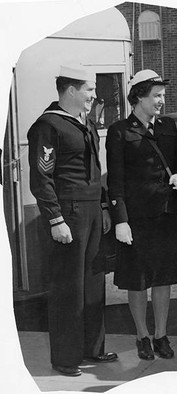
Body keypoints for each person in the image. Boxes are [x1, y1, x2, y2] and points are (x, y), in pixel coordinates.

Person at [27, 64, 117, 377]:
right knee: (67, 287)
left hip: (92, 210)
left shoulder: (85, 123)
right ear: (71, 91)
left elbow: (94, 170)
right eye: (90, 89)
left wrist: (103, 207)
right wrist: (55, 219)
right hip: (69, 213)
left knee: (93, 284)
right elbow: (42, 177)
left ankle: (93, 348)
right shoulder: (49, 126)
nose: (95, 95)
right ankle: (65, 358)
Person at [106, 70, 177, 360]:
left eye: (163, 96)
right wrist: (121, 221)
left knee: (163, 278)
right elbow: (115, 180)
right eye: (156, 95)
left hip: (167, 215)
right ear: (139, 96)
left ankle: (161, 335)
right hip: (137, 218)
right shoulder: (119, 131)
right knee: (138, 279)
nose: (162, 101)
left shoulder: (168, 127)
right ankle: (142, 335)